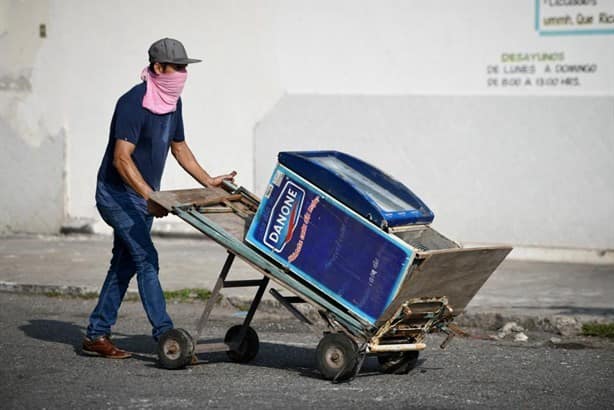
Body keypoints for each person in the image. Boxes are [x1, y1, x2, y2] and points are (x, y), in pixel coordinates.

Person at [82, 38, 236, 359]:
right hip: (117, 195)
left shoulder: (172, 103)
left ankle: (97, 333)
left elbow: (179, 147)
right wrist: (150, 196)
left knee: (124, 264)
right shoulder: (132, 103)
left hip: (144, 196)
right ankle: (166, 335)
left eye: (184, 68)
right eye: (177, 67)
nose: (182, 74)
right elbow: (121, 159)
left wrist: (209, 181)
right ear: (157, 68)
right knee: (146, 259)